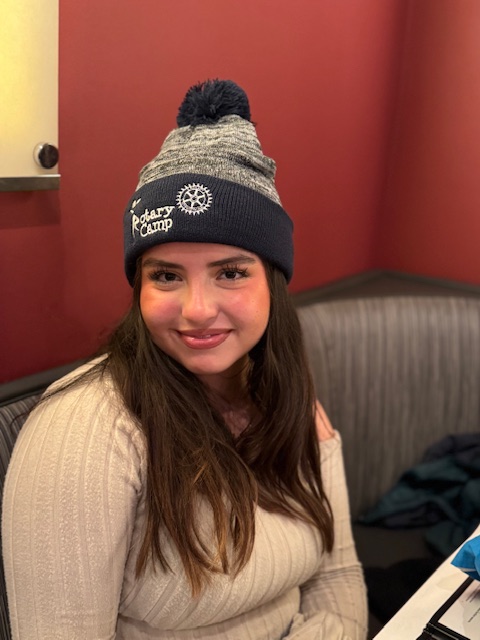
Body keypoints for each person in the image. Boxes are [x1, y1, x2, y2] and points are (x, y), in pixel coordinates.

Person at [2, 79, 367, 639]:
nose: (197, 310)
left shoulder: (287, 400)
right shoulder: (83, 434)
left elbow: (337, 577)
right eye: (167, 275)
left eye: (231, 272)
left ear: (273, 283)